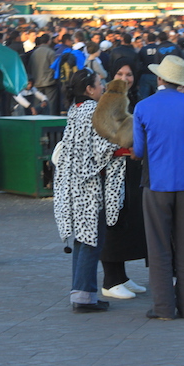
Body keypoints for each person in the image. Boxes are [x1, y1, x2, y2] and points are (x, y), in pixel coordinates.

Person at [133, 55, 184, 320]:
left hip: (157, 183)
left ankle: (163, 307)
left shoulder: (143, 106)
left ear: (160, 78)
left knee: (159, 246)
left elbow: (139, 150)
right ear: (181, 82)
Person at [54, 70, 125, 313]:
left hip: (73, 183)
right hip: (89, 186)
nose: (103, 86)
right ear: (88, 88)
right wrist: (128, 147)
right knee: (91, 240)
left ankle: (82, 292)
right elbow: (104, 148)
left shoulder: (76, 109)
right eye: (99, 83)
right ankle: (83, 297)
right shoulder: (94, 110)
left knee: (83, 239)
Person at [99, 60, 147, 299]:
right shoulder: (105, 103)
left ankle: (121, 276)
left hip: (133, 170)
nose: (125, 78)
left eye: (129, 74)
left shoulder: (138, 99)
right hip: (113, 173)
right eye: (119, 73)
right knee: (114, 221)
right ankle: (110, 279)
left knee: (130, 221)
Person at [29, 34, 59, 115]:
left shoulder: (34, 53)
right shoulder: (51, 52)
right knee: (51, 104)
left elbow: (30, 67)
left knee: (37, 104)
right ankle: (51, 121)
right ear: (48, 41)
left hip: (36, 82)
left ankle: (36, 120)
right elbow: (54, 67)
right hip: (49, 82)